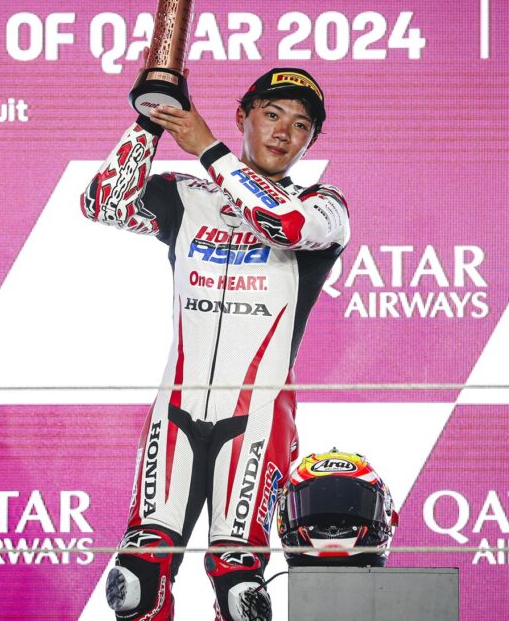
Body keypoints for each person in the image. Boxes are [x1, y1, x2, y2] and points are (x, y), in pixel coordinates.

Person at [81, 67, 350, 621]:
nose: (283, 132)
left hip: (257, 417)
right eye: (271, 114)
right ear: (242, 116)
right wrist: (150, 119)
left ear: (312, 141)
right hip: (175, 409)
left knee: (239, 586)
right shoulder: (189, 196)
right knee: (135, 580)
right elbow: (102, 203)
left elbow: (284, 225)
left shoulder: (323, 206)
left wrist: (207, 148)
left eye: (301, 125)